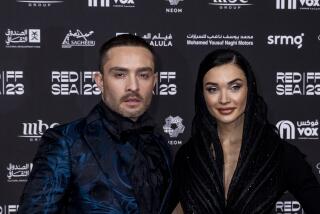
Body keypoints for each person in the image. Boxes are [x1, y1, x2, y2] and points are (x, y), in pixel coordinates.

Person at [18, 34, 172, 214]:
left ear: (154, 81)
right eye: (120, 74)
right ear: (100, 81)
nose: (133, 86)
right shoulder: (66, 142)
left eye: (143, 75)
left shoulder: (159, 142)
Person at [168, 49, 320, 214]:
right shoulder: (188, 156)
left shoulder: (279, 154)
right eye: (212, 89)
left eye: (235, 87)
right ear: (202, 94)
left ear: (250, 89)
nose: (224, 99)